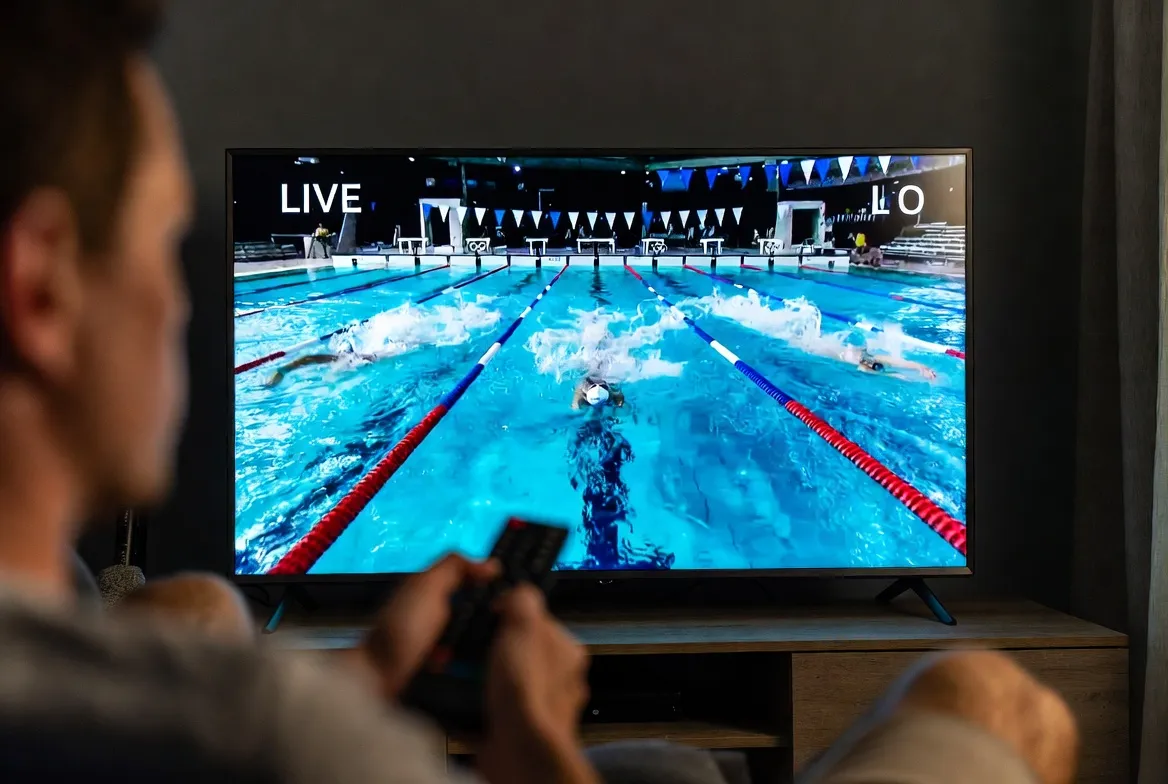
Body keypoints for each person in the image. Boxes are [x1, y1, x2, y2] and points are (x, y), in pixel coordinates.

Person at [0, 2, 1079, 783]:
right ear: (42, 286)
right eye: (159, 243)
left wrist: (371, 665)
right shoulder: (269, 732)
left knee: (196, 606)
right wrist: (530, 736)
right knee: (987, 695)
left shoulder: (124, 678)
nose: (183, 301)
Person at [840, 345, 938, 380]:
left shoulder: (872, 360)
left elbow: (901, 363)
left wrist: (921, 367)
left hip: (861, 359)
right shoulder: (864, 363)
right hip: (860, 359)